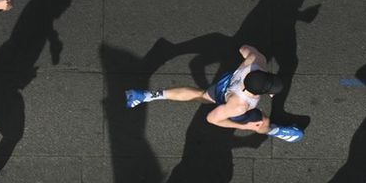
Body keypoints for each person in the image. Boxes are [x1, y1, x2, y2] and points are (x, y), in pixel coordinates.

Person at [125, 44, 304, 142]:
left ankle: (145, 96)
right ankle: (276, 131)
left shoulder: (255, 60)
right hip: (232, 100)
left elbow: (244, 48)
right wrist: (243, 126)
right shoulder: (239, 106)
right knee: (261, 121)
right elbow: (212, 119)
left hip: (226, 85)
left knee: (202, 95)